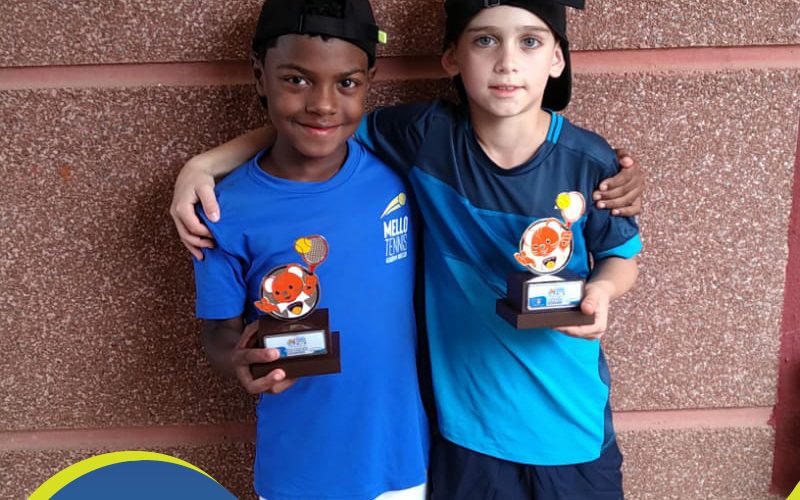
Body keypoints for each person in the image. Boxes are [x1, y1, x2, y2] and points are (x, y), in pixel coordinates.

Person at [175, 1, 644, 498]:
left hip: (570, 428)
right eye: (485, 39)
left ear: (557, 58)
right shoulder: (424, 140)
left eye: (530, 41)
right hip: (464, 438)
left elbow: (621, 257)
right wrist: (202, 165)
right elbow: (319, 124)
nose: (507, 61)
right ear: (452, 57)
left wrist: (601, 290)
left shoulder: (590, 162)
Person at [191, 0, 429, 499]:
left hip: (404, 463)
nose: (322, 104)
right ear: (260, 76)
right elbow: (218, 331)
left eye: (347, 83)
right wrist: (239, 360)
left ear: (369, 81)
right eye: (296, 80)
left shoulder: (398, 172)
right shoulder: (223, 211)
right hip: (300, 470)